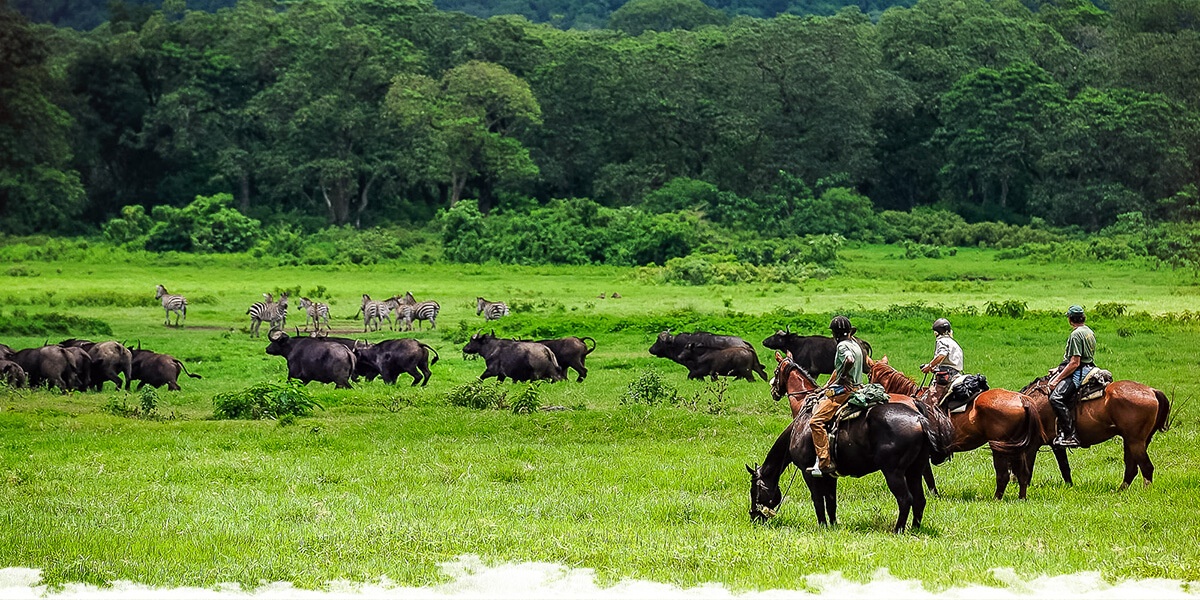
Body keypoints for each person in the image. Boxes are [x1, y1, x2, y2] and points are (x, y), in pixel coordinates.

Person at [808, 315, 864, 477]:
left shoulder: (842, 347)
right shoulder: (856, 344)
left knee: (816, 421)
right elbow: (840, 367)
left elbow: (848, 360)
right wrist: (827, 385)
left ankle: (824, 462)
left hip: (844, 392)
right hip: (859, 386)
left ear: (835, 334)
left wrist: (843, 376)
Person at [1047, 305, 1096, 447]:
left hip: (1079, 371)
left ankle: (1070, 434)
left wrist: (1056, 379)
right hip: (1090, 366)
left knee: (1056, 398)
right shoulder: (1088, 331)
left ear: (1070, 319)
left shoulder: (1075, 334)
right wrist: (1059, 368)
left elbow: (1075, 362)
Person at [920, 318, 963, 405]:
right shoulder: (953, 342)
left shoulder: (941, 341)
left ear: (936, 333)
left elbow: (942, 354)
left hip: (946, 377)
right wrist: (935, 367)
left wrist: (929, 366)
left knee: (928, 402)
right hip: (957, 374)